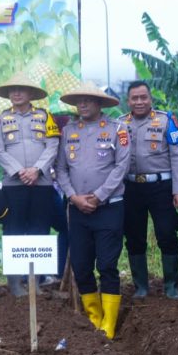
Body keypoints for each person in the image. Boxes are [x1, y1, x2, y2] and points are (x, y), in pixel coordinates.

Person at [55, 82, 130, 339]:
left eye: (88, 100)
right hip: (77, 210)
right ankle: (95, 318)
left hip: (109, 208)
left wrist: (98, 197)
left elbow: (122, 167)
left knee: (107, 265)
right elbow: (61, 169)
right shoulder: (68, 131)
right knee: (81, 265)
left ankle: (109, 323)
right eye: (80, 101)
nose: (83, 104)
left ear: (99, 103)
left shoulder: (117, 130)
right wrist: (73, 197)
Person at [0, 72, 60, 296]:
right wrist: (20, 172)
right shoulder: (0, 120)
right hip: (13, 184)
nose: (16, 93)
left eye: (21, 89)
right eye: (12, 90)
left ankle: (36, 282)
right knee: (13, 231)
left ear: (30, 94)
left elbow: (53, 145)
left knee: (40, 229)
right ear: (9, 95)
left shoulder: (45, 116)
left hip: (42, 183)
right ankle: (15, 284)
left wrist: (36, 170)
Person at [119, 80, 178, 299]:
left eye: (143, 97)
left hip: (161, 187)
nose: (139, 102)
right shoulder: (119, 124)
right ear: (128, 101)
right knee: (134, 237)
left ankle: (171, 286)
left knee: (167, 233)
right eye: (134, 98)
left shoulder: (166, 121)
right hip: (131, 189)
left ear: (150, 98)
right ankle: (141, 287)